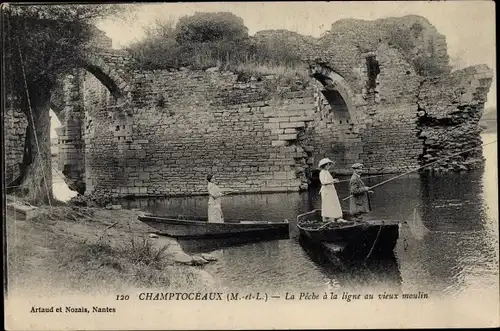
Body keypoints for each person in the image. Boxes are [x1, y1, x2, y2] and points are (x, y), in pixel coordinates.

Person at [318, 158, 348, 223]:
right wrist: (332, 181)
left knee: (333, 203)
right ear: (324, 165)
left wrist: (334, 180)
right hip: (326, 191)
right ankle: (328, 218)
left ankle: (336, 217)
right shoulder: (322, 172)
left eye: (329, 165)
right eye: (328, 165)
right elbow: (323, 182)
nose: (329, 166)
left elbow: (328, 180)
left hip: (330, 189)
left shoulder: (327, 172)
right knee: (328, 204)